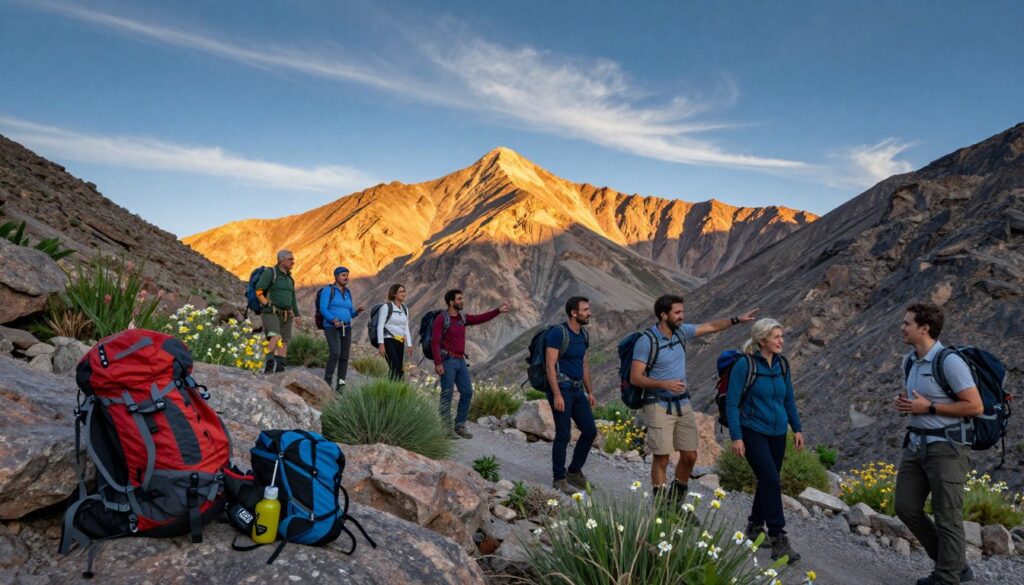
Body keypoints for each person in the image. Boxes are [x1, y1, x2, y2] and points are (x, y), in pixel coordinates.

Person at [629, 294, 757, 504]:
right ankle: (661, 506)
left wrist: (736, 320)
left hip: (682, 403)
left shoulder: (681, 332)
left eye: (682, 311)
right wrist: (664, 384)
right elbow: (635, 377)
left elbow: (711, 327)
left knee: (690, 456)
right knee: (662, 457)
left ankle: (675, 501)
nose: (682, 316)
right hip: (657, 404)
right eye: (677, 312)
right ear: (663, 315)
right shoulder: (647, 341)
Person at [894, 303, 982, 585]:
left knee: (947, 516)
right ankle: (955, 566)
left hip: (948, 449)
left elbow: (975, 406)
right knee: (905, 506)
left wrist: (930, 408)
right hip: (916, 445)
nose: (902, 327)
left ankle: (947, 578)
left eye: (907, 323)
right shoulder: (910, 361)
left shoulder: (949, 362)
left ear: (924, 328)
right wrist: (907, 405)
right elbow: (919, 401)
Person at [726, 318, 803, 562]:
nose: (781, 341)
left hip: (778, 432)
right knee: (771, 479)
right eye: (776, 337)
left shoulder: (782, 364)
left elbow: (788, 398)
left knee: (767, 479)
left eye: (782, 336)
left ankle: (754, 526)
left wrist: (797, 428)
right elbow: (731, 402)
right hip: (752, 430)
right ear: (762, 340)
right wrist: (736, 436)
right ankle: (778, 537)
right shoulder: (744, 364)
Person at [432, 289, 511, 439]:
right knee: (447, 394)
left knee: (467, 392)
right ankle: (446, 428)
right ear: (451, 302)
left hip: (461, 361)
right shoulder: (442, 319)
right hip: (447, 361)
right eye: (459, 299)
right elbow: (434, 342)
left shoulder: (462, 318)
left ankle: (459, 425)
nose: (462, 301)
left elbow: (480, 318)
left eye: (462, 298)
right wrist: (438, 363)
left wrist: (498, 311)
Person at [545, 296, 598, 495]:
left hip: (577, 389)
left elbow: (584, 365)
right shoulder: (558, 333)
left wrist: (590, 391)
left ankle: (574, 472)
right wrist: (557, 394)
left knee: (590, 431)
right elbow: (550, 366)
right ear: (574, 313)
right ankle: (559, 478)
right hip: (561, 388)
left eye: (588, 309)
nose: (589, 313)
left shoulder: (583, 335)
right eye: (585, 310)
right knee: (564, 434)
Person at [319, 266, 365, 390]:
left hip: (346, 327)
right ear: (336, 276)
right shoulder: (328, 290)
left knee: (344, 357)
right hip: (331, 327)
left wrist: (356, 312)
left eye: (347, 275)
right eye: (343, 275)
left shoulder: (348, 292)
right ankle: (327, 382)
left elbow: (349, 312)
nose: (346, 277)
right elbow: (323, 308)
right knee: (335, 353)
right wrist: (333, 319)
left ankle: (341, 386)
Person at [255, 250, 300, 373]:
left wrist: (297, 314)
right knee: (275, 336)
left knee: (284, 341)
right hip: (271, 312)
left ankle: (280, 368)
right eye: (290, 259)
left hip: (287, 314)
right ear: (281, 260)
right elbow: (259, 290)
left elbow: (293, 298)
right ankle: (268, 364)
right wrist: (266, 304)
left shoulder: (290, 278)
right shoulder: (270, 273)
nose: (293, 262)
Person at [376, 283, 413, 380]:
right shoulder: (386, 307)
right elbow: (380, 326)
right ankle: (390, 387)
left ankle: (394, 386)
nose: (403, 294)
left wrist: (409, 344)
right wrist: (381, 344)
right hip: (388, 340)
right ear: (394, 294)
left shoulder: (405, 309)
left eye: (404, 291)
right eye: (401, 292)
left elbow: (406, 327)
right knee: (394, 366)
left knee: (399, 369)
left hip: (400, 342)